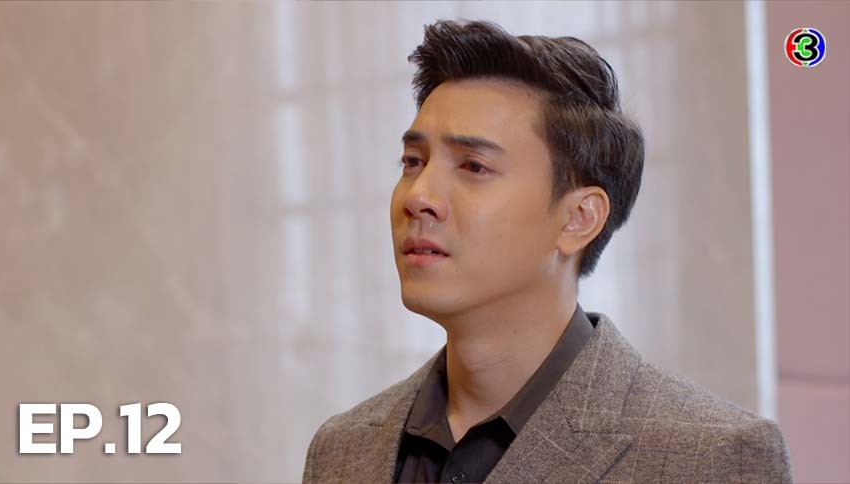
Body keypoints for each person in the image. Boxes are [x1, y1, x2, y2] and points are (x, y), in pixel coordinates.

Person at [302, 20, 792, 484]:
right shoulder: (342, 450)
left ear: (578, 218)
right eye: (413, 161)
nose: (418, 196)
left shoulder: (711, 457)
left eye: (473, 166)